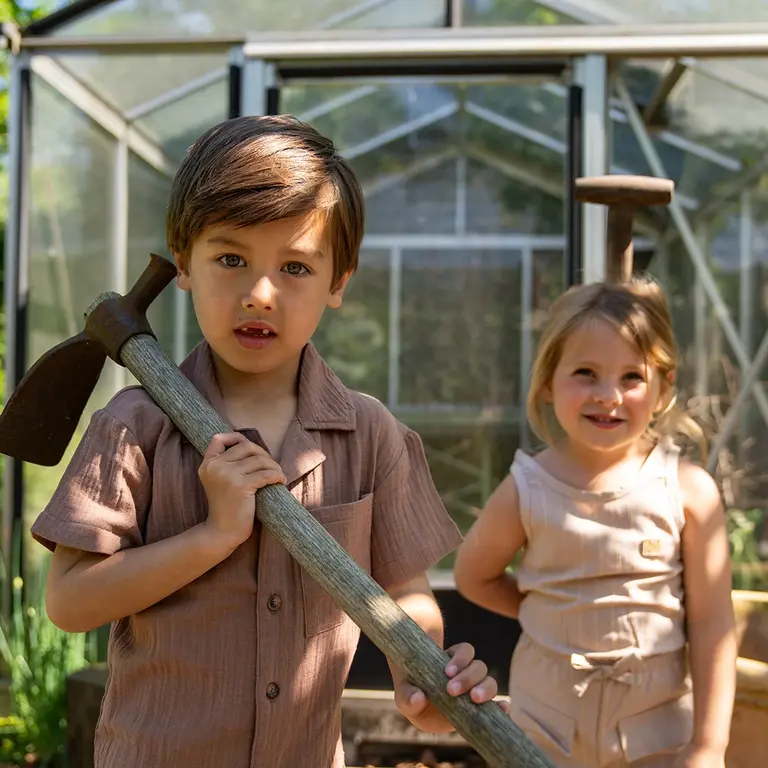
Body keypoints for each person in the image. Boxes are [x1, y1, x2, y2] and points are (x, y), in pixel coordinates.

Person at [31, 115, 504, 768]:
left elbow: (406, 595)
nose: (260, 293)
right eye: (231, 258)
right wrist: (213, 537)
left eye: (295, 267)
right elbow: (69, 601)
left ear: (338, 280)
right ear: (183, 259)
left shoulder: (372, 436)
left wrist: (420, 680)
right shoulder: (133, 426)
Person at [453, 277, 737, 768]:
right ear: (546, 381)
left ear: (664, 386)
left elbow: (713, 625)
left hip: (659, 733)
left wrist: (709, 746)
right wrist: (543, 609)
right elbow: (472, 575)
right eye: (585, 372)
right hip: (543, 730)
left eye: (632, 377)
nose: (608, 395)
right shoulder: (527, 486)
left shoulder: (688, 490)